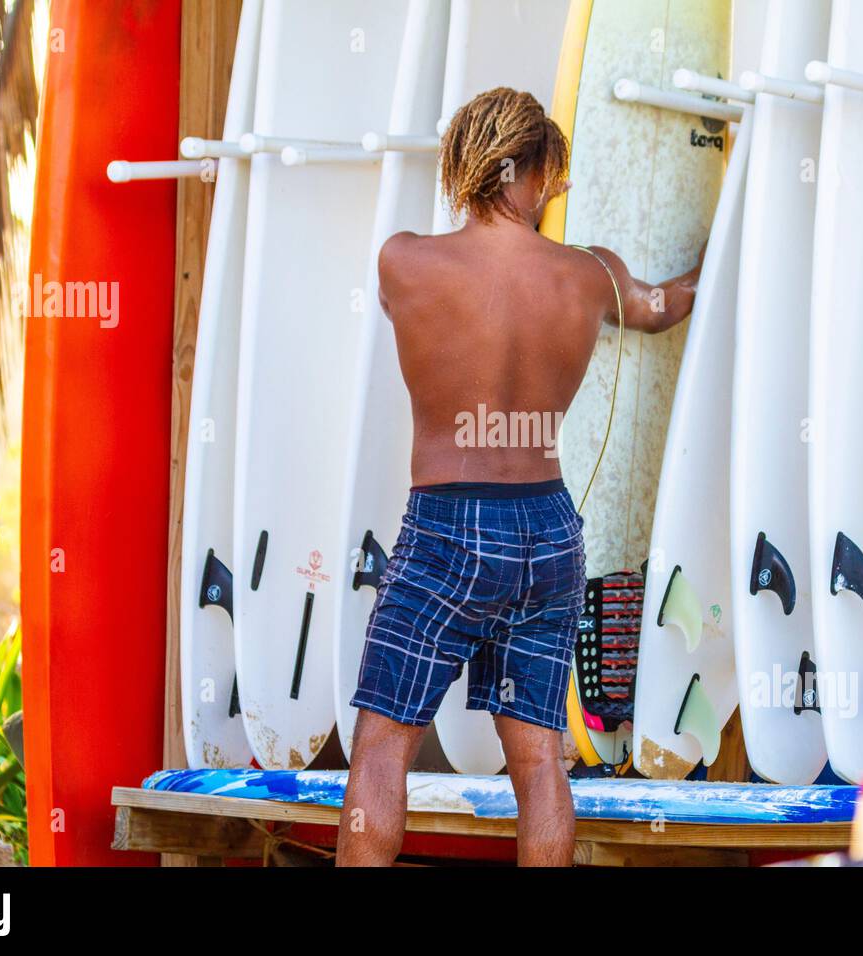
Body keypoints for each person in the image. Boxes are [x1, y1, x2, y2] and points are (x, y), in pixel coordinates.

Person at [336, 87, 702, 867]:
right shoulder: (591, 277)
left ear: (466, 163)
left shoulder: (403, 260)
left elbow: (466, 295)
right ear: (542, 171)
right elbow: (662, 305)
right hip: (547, 531)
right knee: (538, 762)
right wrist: (720, 257)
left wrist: (519, 191)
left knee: (380, 749)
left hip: (446, 527)